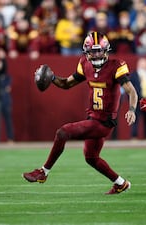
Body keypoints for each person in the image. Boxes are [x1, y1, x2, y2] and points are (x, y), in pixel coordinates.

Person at [23, 32, 138, 195]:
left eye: (99, 50)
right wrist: (52, 77)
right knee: (91, 157)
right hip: (92, 117)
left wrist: (132, 109)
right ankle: (121, 183)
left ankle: (43, 172)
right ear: (86, 52)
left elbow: (132, 91)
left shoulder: (116, 65)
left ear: (106, 50)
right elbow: (67, 84)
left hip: (104, 122)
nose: (96, 54)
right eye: (93, 51)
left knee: (63, 132)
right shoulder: (85, 64)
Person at [130, 57, 146, 139]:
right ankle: (134, 136)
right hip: (137, 101)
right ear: (139, 64)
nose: (145, 66)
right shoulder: (134, 75)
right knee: (135, 119)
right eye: (143, 64)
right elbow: (130, 89)